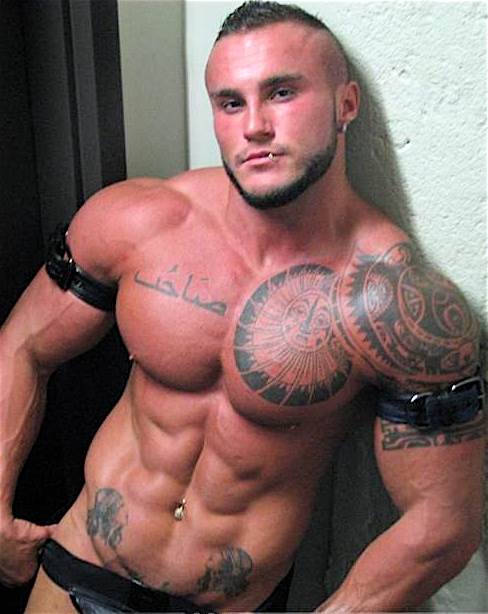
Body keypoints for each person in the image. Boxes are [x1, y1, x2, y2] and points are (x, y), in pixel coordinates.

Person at [0, 1, 485, 612]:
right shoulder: (135, 222)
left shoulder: (398, 306)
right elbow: (23, 345)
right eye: (230, 103)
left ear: (346, 104)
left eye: (282, 93)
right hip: (80, 567)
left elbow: (443, 524)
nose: (254, 125)